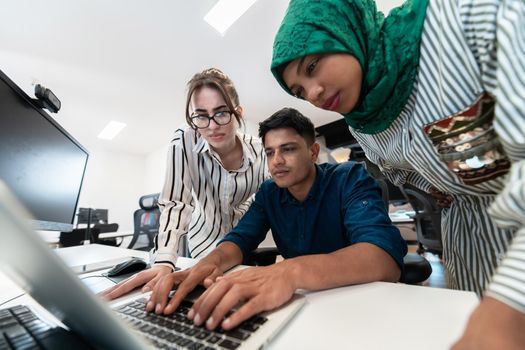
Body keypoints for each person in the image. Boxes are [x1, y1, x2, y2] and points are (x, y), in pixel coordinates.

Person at [270, 0, 525, 348]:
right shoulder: (363, 124)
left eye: (312, 66)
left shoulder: (463, 19)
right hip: (469, 238)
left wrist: (508, 306)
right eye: (299, 91)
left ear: (344, 28)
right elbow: (412, 172)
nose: (312, 94)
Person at [146, 107, 407, 331]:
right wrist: (207, 263)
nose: (277, 161)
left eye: (288, 149)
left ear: (314, 152)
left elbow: (384, 260)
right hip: (301, 305)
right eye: (269, 152)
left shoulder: (349, 178)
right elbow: (239, 240)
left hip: (359, 304)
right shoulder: (269, 193)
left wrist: (289, 270)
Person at [103, 68, 268, 299]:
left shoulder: (261, 151)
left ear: (238, 113)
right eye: (201, 116)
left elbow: (271, 203)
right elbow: (177, 203)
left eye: (221, 113)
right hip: (201, 244)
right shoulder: (185, 139)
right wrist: (164, 261)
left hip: (242, 246)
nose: (211, 126)